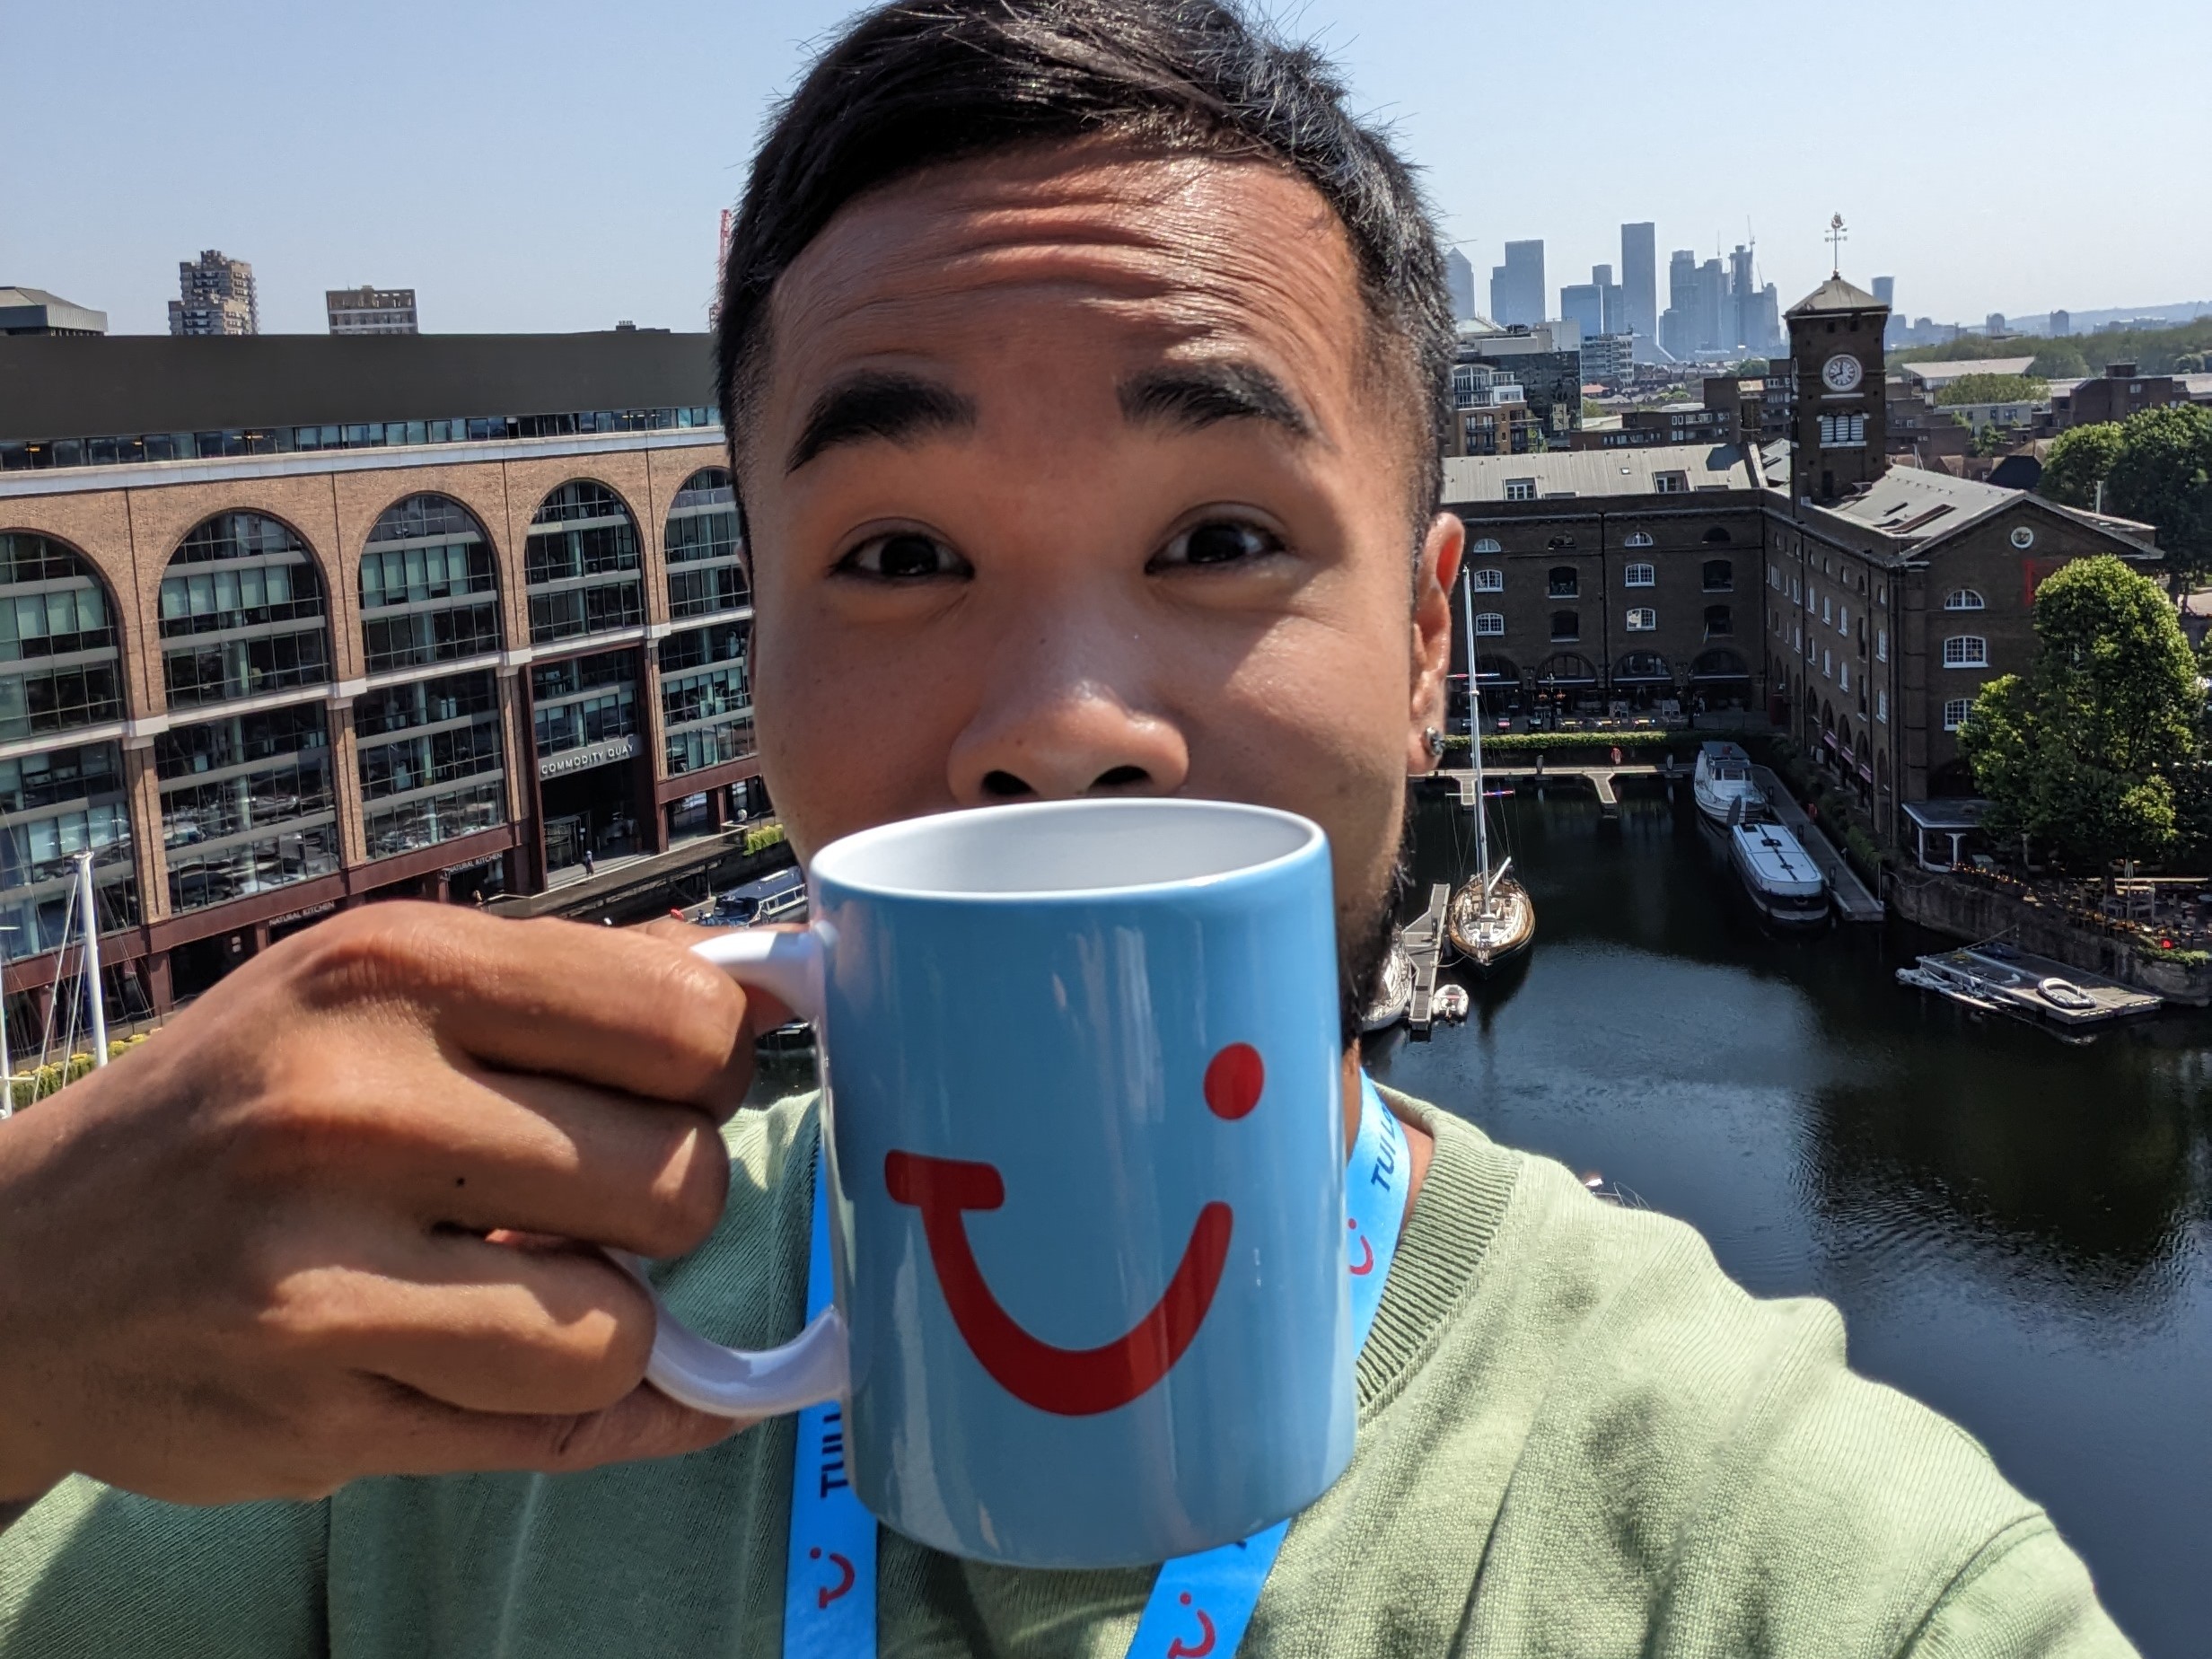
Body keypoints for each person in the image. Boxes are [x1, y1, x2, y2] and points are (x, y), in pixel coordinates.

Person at [0, 4, 2136, 1655]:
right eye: (902, 554)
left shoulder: (1802, 1562)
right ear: (754, 656)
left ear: (1419, 641)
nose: (1057, 732)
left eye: (1214, 534)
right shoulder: (374, 1403)